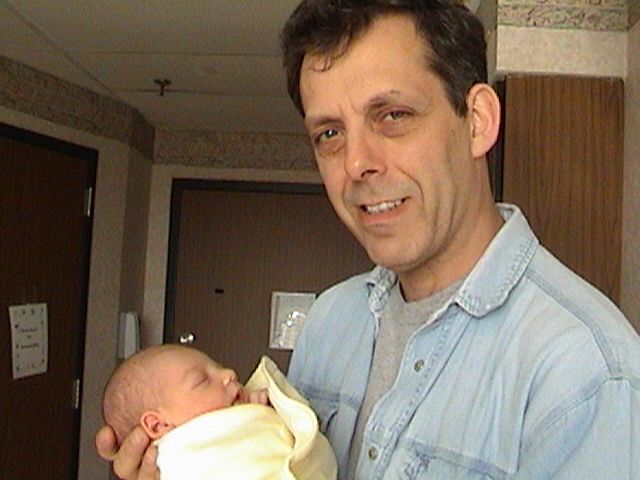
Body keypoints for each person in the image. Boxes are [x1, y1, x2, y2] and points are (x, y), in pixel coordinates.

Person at [97, 0, 640, 479]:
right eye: (330, 133)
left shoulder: (586, 371)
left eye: (393, 115)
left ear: (476, 120)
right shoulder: (329, 324)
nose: (356, 163)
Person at [101, 344, 337, 480]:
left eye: (218, 367)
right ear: (158, 425)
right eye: (202, 380)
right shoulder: (179, 459)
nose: (229, 374)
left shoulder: (248, 415)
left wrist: (268, 416)